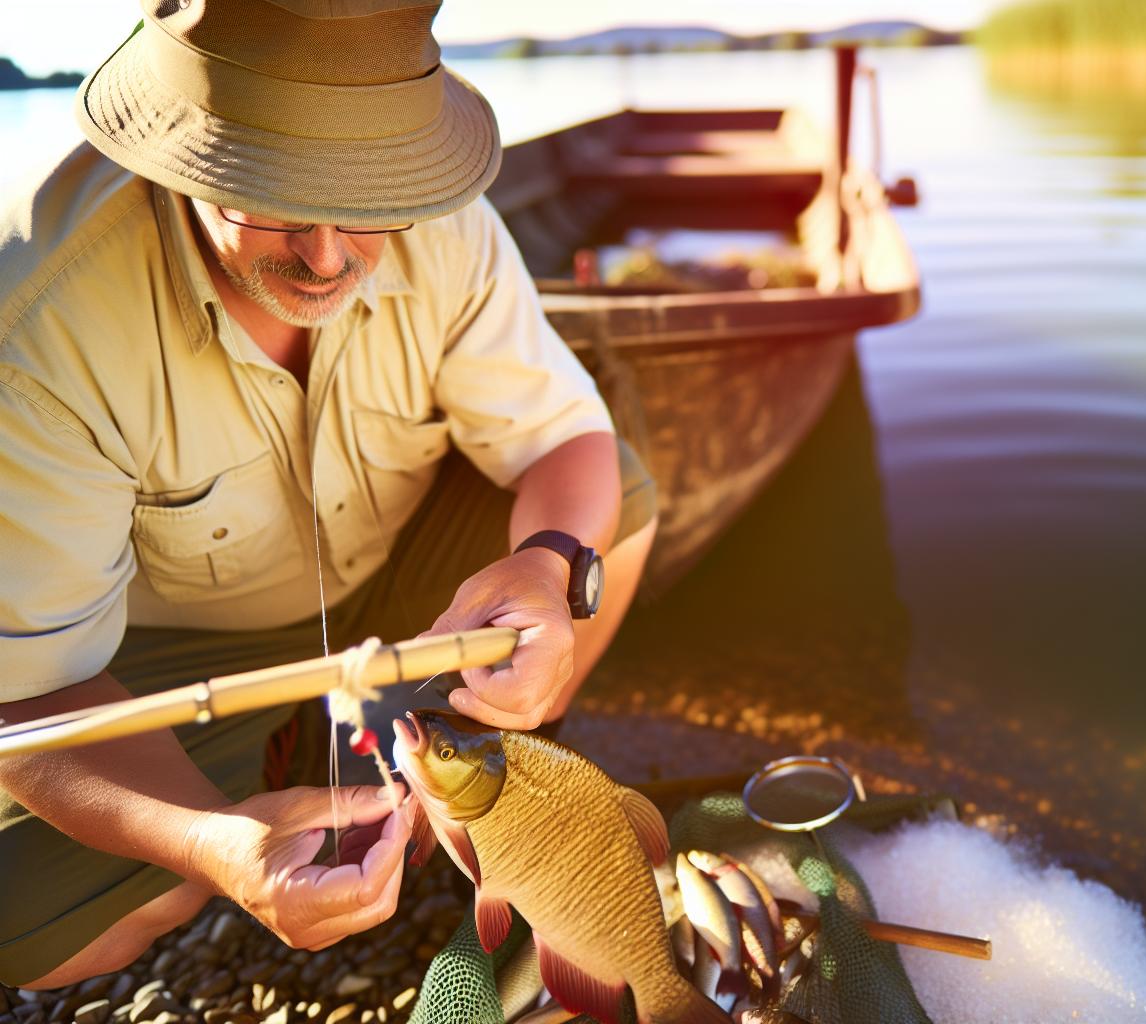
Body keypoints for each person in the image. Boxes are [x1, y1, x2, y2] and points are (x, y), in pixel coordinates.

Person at [0, 0, 659, 989]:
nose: (324, 256)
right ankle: (287, 779)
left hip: (403, 579)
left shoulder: (449, 222)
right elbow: (29, 701)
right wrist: (212, 841)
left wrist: (544, 564)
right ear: (181, 156)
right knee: (34, 932)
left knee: (617, 509)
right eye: (268, 200)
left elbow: (565, 435)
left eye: (366, 201)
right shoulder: (37, 325)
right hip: (171, 654)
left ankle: (456, 780)